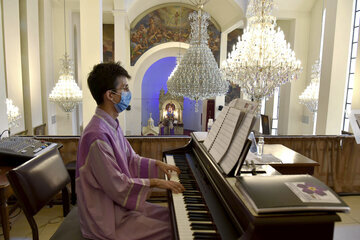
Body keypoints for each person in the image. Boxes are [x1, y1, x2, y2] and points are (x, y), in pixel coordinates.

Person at [76, 62, 185, 240]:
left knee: (173, 218)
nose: (128, 93)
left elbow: (130, 159)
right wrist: (156, 183)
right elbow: (117, 185)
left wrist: (158, 164)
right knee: (174, 231)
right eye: (124, 88)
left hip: (117, 206)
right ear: (111, 95)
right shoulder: (96, 135)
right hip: (107, 217)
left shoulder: (111, 124)